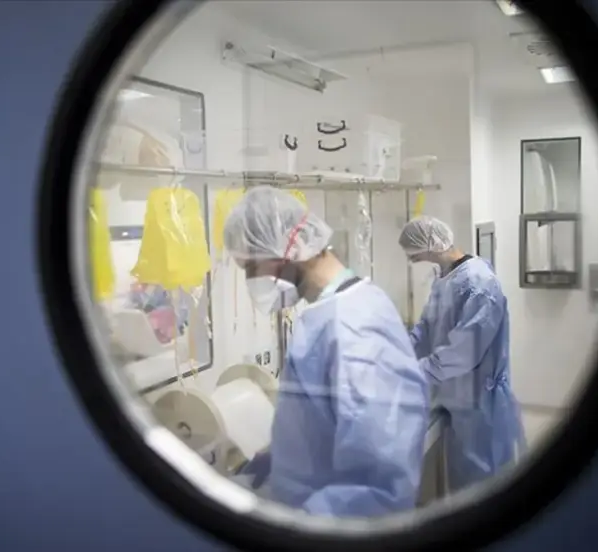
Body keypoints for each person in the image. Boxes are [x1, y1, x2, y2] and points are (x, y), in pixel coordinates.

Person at [224, 186, 430, 518]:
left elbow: (378, 489)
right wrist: (278, 460)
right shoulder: (338, 312)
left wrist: (295, 529)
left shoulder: (351, 328)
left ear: (288, 247)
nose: (251, 281)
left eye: (250, 267)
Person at [399, 215, 526, 493]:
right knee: (463, 482)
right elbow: (427, 328)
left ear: (430, 244)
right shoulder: (445, 278)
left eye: (414, 252)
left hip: (480, 402)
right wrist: (398, 353)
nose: (412, 259)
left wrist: (414, 372)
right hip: (457, 397)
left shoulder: (479, 284)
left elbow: (464, 350)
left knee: (485, 485)